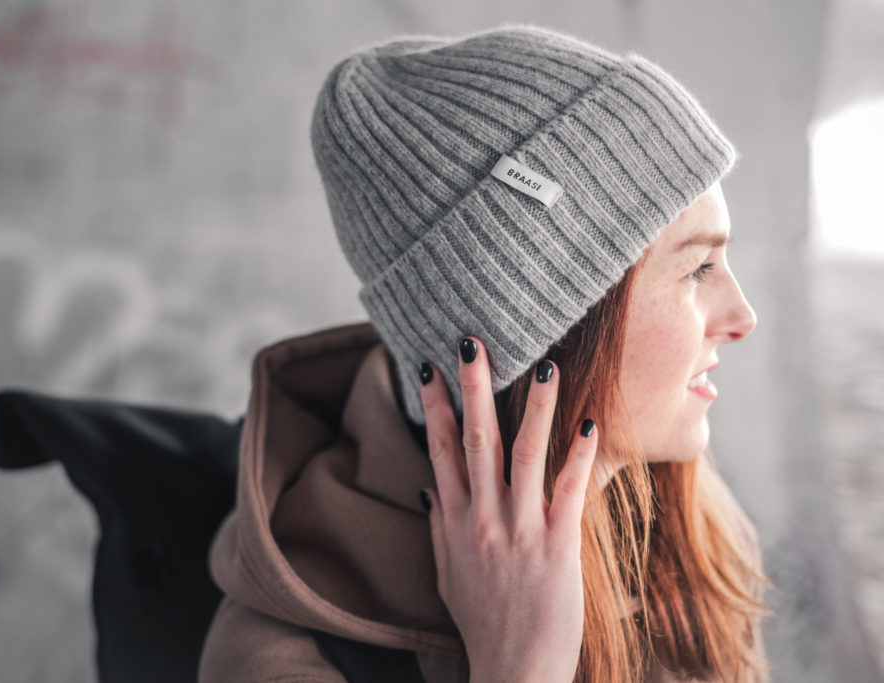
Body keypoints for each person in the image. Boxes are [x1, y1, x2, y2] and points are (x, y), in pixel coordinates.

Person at [198, 22, 772, 683]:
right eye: (697, 269)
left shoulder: (691, 537)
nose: (743, 317)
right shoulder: (276, 659)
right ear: (547, 326)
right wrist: (519, 668)